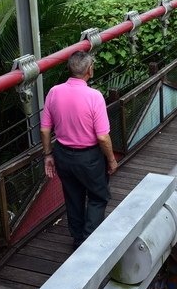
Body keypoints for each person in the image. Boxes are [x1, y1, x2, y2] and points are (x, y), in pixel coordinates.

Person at [40, 51, 119, 248]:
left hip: (63, 155)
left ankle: (77, 239)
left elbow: (44, 129)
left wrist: (48, 155)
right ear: (89, 70)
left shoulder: (54, 92)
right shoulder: (94, 96)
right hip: (89, 157)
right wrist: (111, 159)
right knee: (98, 196)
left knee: (73, 197)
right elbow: (102, 136)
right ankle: (88, 241)